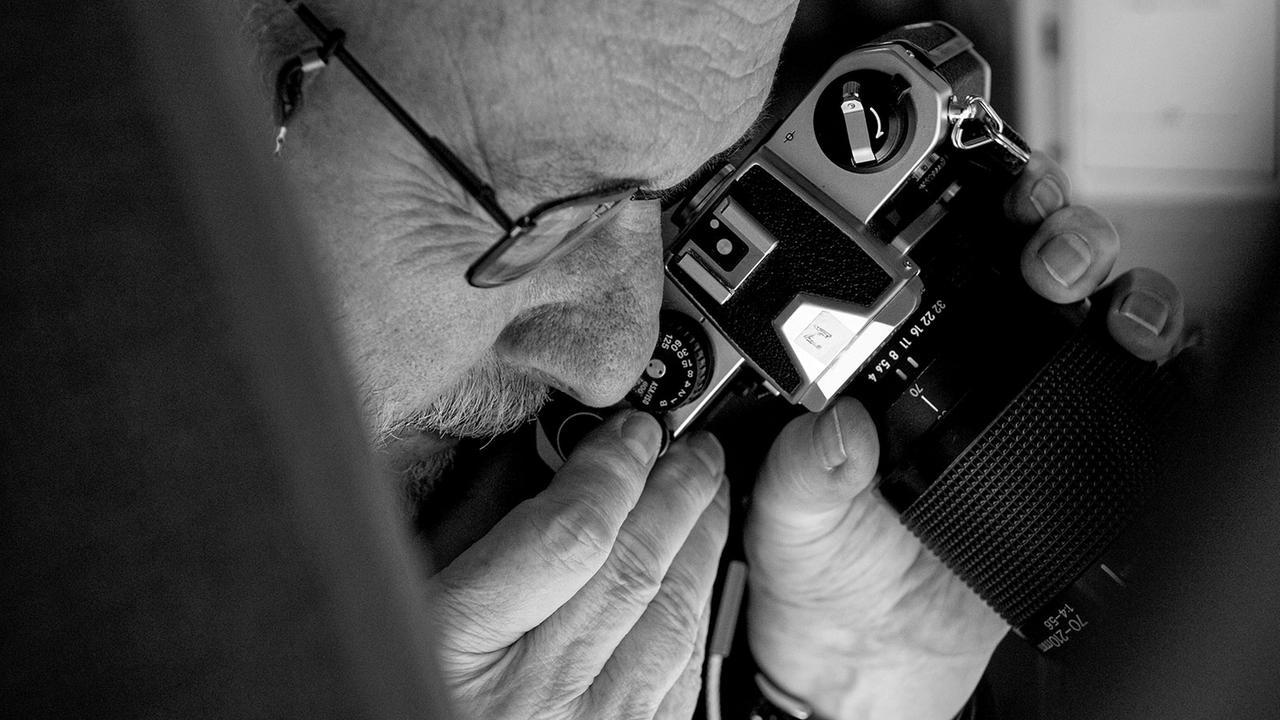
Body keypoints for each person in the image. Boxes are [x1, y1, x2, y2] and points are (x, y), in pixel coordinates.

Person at [1, 1, 1188, 719]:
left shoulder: (485, 524)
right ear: (182, 58)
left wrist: (839, 688)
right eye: (544, 214)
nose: (621, 359)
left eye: (684, 204)